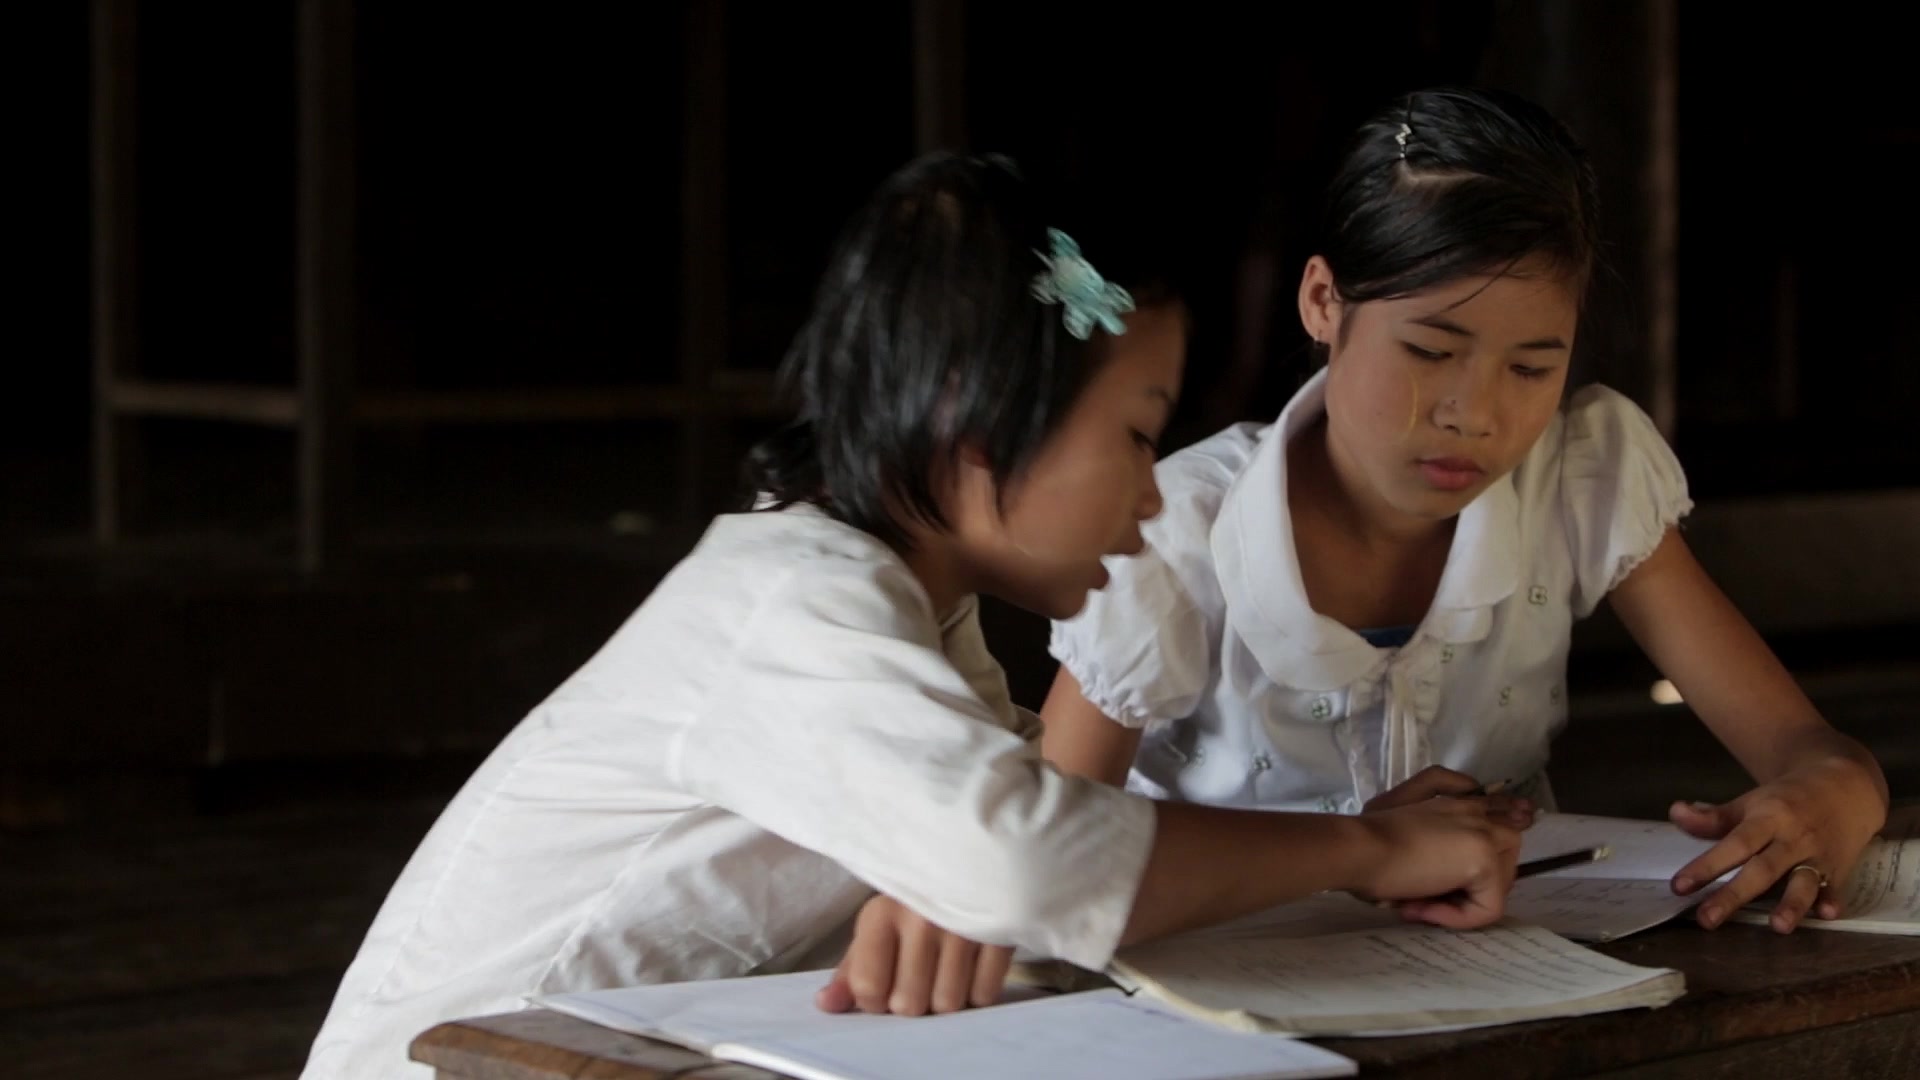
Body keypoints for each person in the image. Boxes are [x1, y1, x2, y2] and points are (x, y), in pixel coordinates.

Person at [300, 152, 1521, 1078]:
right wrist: (1370, 854)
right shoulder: (785, 603)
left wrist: (1343, 855)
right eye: (1136, 434)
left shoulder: (905, 609)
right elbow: (1030, 857)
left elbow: (1033, 846)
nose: (1154, 494)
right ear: (972, 416)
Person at [1040, 87, 1890, 946]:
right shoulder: (1180, 532)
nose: (1473, 414)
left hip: (1512, 988)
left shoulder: (1575, 479)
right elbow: (1041, 855)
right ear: (1323, 301)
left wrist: (1835, 790)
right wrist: (1360, 850)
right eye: (1431, 352)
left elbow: (1811, 750)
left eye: (1529, 368)